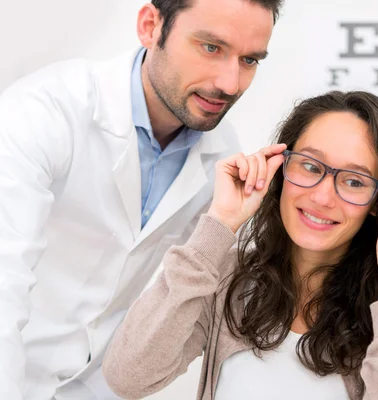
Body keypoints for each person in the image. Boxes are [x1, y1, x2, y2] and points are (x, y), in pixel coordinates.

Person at [0, 0, 282, 398]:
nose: (230, 83)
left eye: (249, 59)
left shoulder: (222, 155)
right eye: (211, 47)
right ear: (151, 25)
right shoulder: (43, 113)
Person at [103, 90, 378, 399]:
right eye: (310, 165)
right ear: (280, 167)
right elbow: (128, 376)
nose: (322, 196)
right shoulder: (225, 279)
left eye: (353, 181)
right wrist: (219, 223)